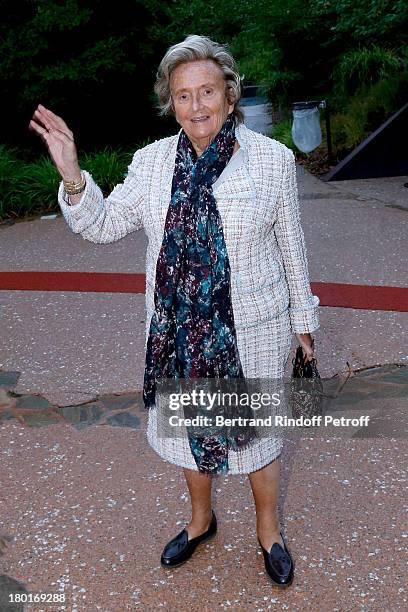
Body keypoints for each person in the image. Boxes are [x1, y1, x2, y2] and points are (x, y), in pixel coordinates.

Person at [29, 34, 319, 588]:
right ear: (171, 102)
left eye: (207, 91)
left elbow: (292, 246)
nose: (196, 105)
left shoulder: (273, 162)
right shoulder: (153, 163)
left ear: (230, 96)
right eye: (183, 95)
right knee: (192, 430)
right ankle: (200, 520)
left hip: (253, 329)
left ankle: (268, 529)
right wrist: (72, 174)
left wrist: (303, 324)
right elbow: (102, 225)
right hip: (178, 336)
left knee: (259, 438)